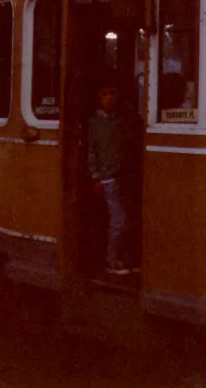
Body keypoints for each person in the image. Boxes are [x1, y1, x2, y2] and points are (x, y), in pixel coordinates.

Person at [86, 78, 136, 275]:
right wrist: (95, 177)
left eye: (112, 94)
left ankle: (120, 256)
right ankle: (111, 259)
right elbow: (92, 151)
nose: (109, 99)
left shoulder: (120, 120)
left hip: (121, 175)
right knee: (118, 219)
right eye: (104, 95)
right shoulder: (94, 123)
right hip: (107, 177)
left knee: (124, 218)